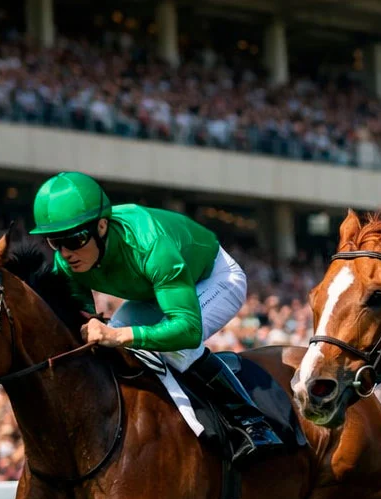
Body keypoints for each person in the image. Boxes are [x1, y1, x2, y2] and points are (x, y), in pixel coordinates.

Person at [28, 171, 280, 461]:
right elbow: (84, 325)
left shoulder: (150, 244)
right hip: (155, 292)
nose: (65, 253)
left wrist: (120, 335)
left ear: (101, 226)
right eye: (54, 242)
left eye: (75, 239)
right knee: (110, 346)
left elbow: (187, 330)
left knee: (174, 347)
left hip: (215, 278)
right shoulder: (66, 262)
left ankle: (252, 422)